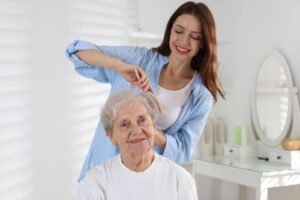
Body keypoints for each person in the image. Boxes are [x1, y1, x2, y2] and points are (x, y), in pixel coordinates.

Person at [65, 1, 224, 181]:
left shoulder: (200, 96)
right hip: (103, 168)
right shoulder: (140, 59)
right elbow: (77, 51)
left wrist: (147, 128)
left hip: (145, 178)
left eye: (194, 36)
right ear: (170, 30)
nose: (183, 41)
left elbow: (183, 150)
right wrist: (120, 66)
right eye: (179, 31)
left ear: (203, 43)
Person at [76, 90, 198, 200]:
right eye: (125, 124)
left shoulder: (179, 179)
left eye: (142, 120)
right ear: (111, 136)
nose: (136, 130)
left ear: (153, 126)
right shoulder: (95, 182)